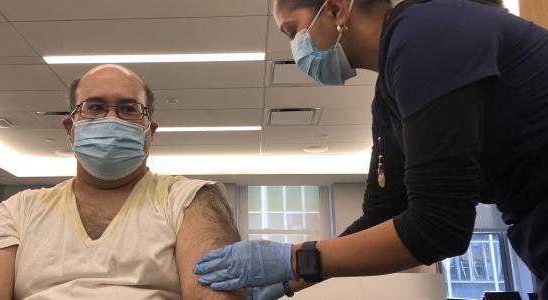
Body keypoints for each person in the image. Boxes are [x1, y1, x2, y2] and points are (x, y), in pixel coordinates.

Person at [194, 0, 548, 299]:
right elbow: (382, 215)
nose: (296, 46)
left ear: (335, 10)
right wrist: (290, 280)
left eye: (293, 31)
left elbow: (438, 227)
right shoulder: (389, 97)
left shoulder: (425, 35)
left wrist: (294, 259)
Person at [0, 64, 245, 299]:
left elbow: (211, 295)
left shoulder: (189, 198)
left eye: (129, 109)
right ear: (70, 128)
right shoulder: (19, 210)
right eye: (95, 107)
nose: (111, 119)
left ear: (150, 131)